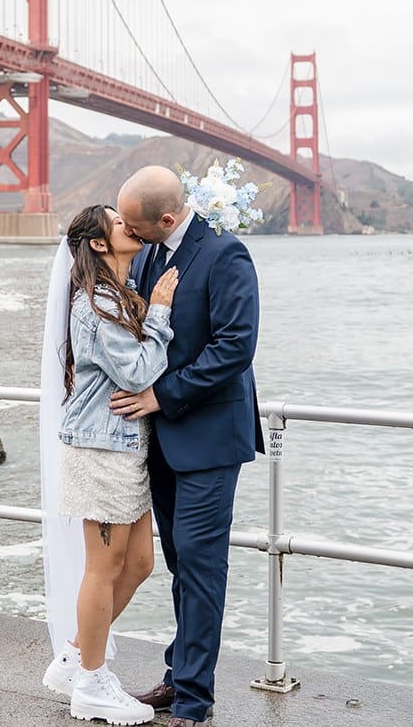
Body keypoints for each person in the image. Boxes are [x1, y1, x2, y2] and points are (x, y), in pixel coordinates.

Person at [108, 166, 266, 727]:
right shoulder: (150, 253)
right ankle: (179, 678)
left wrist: (160, 395)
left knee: (201, 568)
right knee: (181, 566)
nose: (124, 230)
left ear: (168, 219)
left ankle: (194, 701)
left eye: (131, 222)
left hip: (209, 439)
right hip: (164, 443)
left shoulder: (227, 256)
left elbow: (235, 349)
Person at [39, 204, 180, 725]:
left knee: (140, 562)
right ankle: (92, 685)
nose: (131, 226)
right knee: (103, 568)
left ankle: (75, 656)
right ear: (99, 244)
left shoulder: (117, 295)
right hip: (100, 450)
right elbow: (140, 369)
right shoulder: (97, 302)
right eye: (120, 224)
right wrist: (161, 312)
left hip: (123, 448)